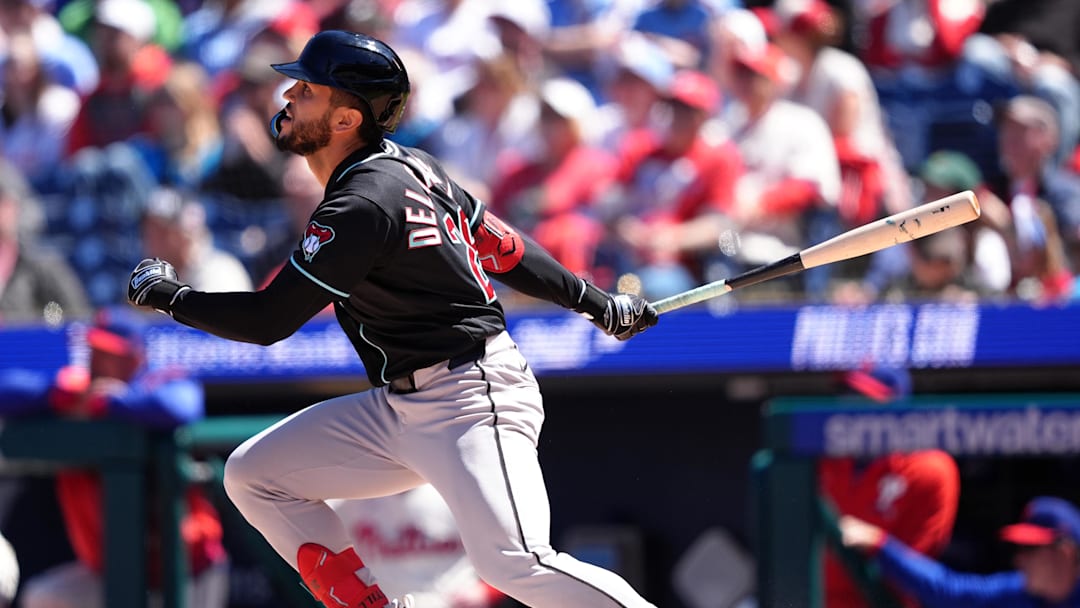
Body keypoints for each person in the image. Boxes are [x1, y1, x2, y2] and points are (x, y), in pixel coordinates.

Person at [126, 29, 659, 608]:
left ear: (345, 120)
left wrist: (170, 295)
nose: (287, 97)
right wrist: (596, 303)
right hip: (402, 406)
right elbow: (503, 247)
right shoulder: (410, 167)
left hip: (470, 398)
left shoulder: (363, 202)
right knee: (253, 475)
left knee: (515, 562)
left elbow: (268, 321)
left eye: (306, 89)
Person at [0, 306, 229, 608]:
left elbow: (182, 407)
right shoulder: (77, 389)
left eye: (107, 352)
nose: (96, 360)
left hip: (188, 567)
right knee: (44, 597)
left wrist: (113, 401)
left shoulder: (156, 382)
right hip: (112, 572)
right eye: (93, 349)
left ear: (133, 357)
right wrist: (55, 392)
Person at [819, 366, 961, 608]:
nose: (849, 410)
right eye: (847, 397)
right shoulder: (821, 457)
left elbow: (916, 575)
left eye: (863, 401)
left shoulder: (928, 469)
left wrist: (877, 543)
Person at [841, 495, 1080, 607]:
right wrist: (881, 545)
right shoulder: (1019, 592)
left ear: (1066, 553)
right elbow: (949, 589)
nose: (1019, 560)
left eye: (1032, 549)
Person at [328, 485, 507, 608]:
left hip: (451, 602)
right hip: (384, 603)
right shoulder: (347, 500)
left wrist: (487, 591)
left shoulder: (459, 493)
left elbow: (513, 553)